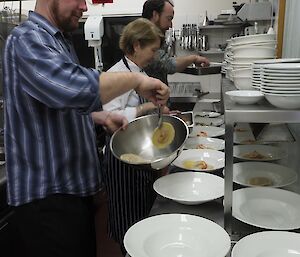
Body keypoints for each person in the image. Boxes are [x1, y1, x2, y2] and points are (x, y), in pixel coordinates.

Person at [1, 1, 170, 257]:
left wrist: (100, 117)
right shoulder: (27, 38)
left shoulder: (61, 42)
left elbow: (60, 103)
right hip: (47, 198)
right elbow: (74, 88)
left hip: (70, 194)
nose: (84, 6)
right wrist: (136, 80)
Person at [102, 18, 168, 255]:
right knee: (127, 224)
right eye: (152, 50)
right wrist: (143, 110)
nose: (155, 55)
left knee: (144, 218)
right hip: (122, 164)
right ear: (137, 45)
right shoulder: (117, 75)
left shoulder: (140, 72)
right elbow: (108, 118)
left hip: (141, 159)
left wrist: (161, 112)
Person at [142, 0, 210, 85]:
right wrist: (193, 58)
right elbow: (167, 64)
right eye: (169, 19)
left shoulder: (153, 36)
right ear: (155, 15)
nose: (170, 25)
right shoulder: (145, 37)